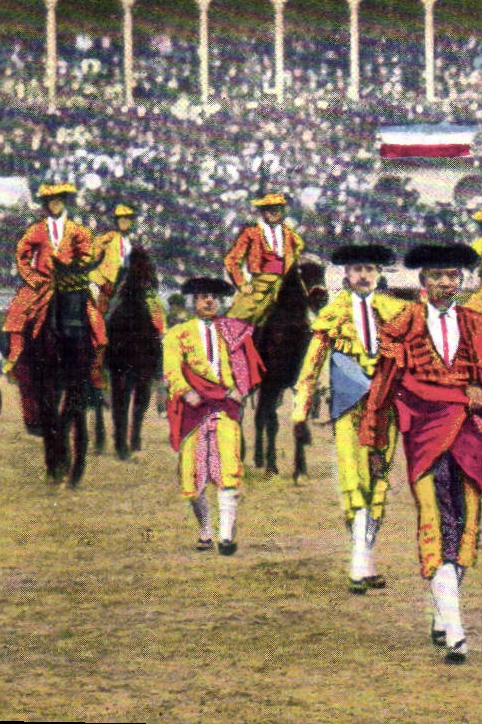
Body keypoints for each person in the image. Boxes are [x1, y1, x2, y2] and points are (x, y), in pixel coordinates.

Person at [360, 243, 482, 664]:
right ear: (423, 281)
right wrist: (375, 441)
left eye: (452, 276)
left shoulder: (473, 321)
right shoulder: (405, 323)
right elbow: (383, 384)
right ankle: (455, 629)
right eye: (436, 276)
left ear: (462, 281)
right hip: (425, 435)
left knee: (467, 521)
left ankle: (443, 613)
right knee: (437, 522)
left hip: (467, 436)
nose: (445, 284)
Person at [290, 244, 408, 592]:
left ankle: (366, 560)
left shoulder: (395, 311)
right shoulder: (334, 313)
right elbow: (312, 365)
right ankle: (358, 564)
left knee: (378, 481)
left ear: (379, 274)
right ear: (345, 274)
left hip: (385, 407)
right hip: (348, 406)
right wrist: (300, 410)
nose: (363, 275)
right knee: (353, 479)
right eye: (357, 269)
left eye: (369, 269)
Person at [3, 183, 106, 484]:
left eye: (59, 200)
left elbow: (87, 253)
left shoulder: (78, 230)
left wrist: (76, 269)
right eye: (50, 201)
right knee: (18, 313)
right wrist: (34, 278)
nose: (55, 205)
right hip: (44, 285)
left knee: (95, 319)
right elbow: (22, 256)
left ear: (65, 202)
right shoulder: (36, 230)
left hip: (71, 283)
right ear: (46, 204)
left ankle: (97, 365)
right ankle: (17, 356)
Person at [163, 276, 263, 554]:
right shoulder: (177, 334)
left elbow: (245, 365)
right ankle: (206, 529)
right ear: (192, 301)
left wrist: (241, 389)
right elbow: (171, 370)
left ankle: (227, 536)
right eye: (203, 296)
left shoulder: (232, 331)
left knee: (228, 466)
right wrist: (185, 392)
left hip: (224, 407)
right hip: (193, 410)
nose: (209, 301)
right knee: (192, 475)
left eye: (213, 297)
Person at [97, 205, 165, 459]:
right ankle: (99, 360)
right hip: (115, 290)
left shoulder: (139, 247)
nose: (124, 222)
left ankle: (157, 363)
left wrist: (149, 281)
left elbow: (153, 279)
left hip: (139, 293)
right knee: (103, 318)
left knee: (158, 320)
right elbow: (99, 267)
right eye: (121, 219)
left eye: (128, 219)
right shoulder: (107, 242)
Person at [223, 192, 305, 326]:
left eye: (278, 209)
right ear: (262, 212)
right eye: (270, 209)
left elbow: (297, 252)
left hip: (285, 284)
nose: (274, 213)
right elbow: (231, 260)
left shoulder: (290, 234)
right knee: (236, 320)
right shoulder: (251, 233)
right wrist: (242, 284)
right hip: (261, 285)